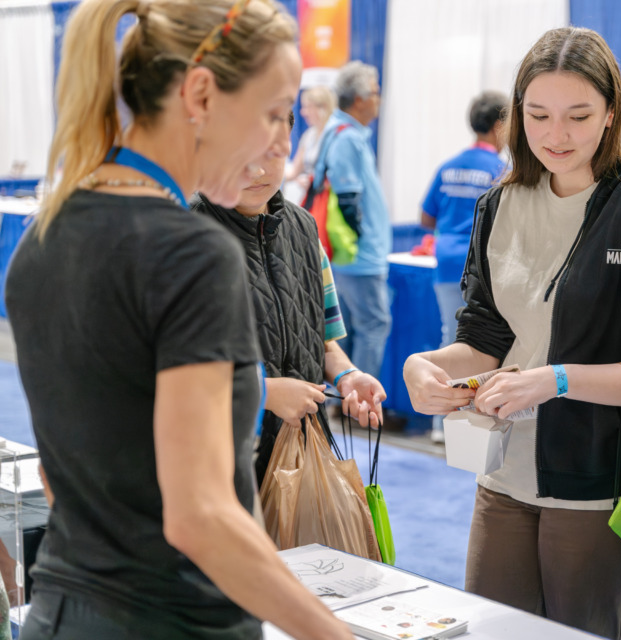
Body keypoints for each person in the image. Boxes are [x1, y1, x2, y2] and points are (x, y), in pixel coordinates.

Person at [3, 1, 353, 638]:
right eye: (273, 113)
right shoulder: (192, 254)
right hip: (172, 618)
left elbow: (67, 473)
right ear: (200, 94)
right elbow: (200, 517)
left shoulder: (44, 238)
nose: (281, 141)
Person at [403, 27, 621, 640]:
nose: (556, 135)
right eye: (538, 114)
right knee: (493, 630)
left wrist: (557, 381)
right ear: (516, 114)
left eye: (578, 115)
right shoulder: (502, 201)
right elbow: (488, 334)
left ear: (610, 116)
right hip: (502, 472)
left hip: (598, 485)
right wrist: (427, 364)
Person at [193, 111, 387, 487]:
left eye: (272, 154)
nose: (257, 171)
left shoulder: (304, 229)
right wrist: (263, 393)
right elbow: (158, 370)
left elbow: (322, 334)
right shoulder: (184, 234)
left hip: (301, 453)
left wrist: (347, 375)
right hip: (216, 462)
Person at [420, 90, 508, 443]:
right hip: (482, 267)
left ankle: (440, 423)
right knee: (484, 347)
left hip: (445, 262)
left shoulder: (449, 164)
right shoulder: (501, 170)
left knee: (449, 339)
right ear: (500, 125)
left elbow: (426, 216)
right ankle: (473, 426)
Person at [314, 61, 392, 381]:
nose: (379, 100)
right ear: (359, 99)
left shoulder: (345, 133)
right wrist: (361, 240)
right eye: (375, 93)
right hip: (357, 255)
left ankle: (342, 398)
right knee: (374, 323)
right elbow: (348, 199)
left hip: (350, 254)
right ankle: (360, 401)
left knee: (345, 328)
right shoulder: (346, 137)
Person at [283, 85, 336, 206]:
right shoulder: (309, 136)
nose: (303, 112)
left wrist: (316, 183)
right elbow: (294, 172)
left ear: (323, 107)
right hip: (313, 201)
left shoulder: (336, 135)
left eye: (307, 107)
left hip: (330, 204)